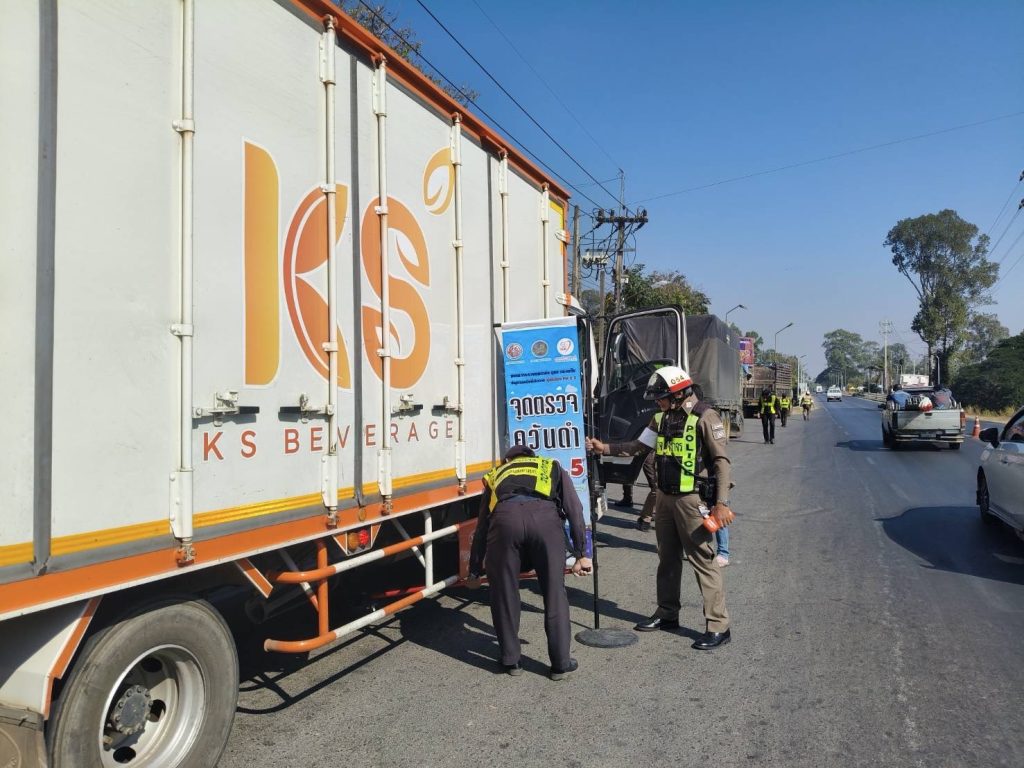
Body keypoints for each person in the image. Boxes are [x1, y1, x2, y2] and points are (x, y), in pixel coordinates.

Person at [587, 366, 735, 650]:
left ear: (679, 394)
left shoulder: (705, 416)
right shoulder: (660, 418)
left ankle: (719, 626)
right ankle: (667, 613)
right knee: (666, 559)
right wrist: (603, 448)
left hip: (692, 500)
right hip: (665, 499)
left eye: (661, 397)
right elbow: (637, 447)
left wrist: (721, 503)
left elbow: (721, 462)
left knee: (703, 562)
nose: (657, 402)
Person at [467, 445, 593, 679]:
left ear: (508, 460)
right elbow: (574, 509)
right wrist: (581, 554)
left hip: (505, 522)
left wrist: (474, 570)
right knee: (554, 592)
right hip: (544, 520)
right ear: (531, 458)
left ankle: (511, 661)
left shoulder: (496, 474)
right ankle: (560, 664)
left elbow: (482, 525)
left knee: (504, 591)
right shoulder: (550, 466)